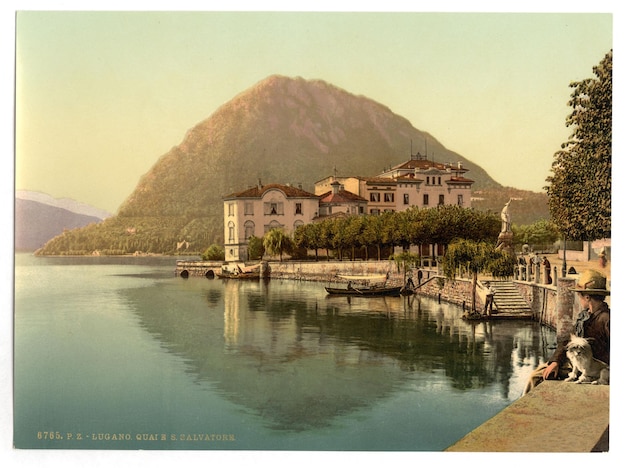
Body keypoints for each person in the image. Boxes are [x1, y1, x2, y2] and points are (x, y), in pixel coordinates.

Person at [523, 269, 610, 394]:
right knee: (538, 374)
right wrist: (555, 361)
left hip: (594, 367)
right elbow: (567, 341)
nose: (579, 299)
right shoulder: (584, 316)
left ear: (587, 297)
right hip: (577, 362)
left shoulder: (606, 318)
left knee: (536, 378)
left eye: (580, 295)